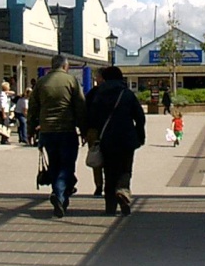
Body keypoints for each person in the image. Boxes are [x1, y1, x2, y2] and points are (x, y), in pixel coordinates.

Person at [29, 54, 87, 218]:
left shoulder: (41, 83)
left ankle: (60, 194)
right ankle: (60, 194)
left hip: (47, 131)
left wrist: (30, 130)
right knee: (67, 165)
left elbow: (33, 108)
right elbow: (80, 106)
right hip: (67, 130)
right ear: (65, 66)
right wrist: (84, 130)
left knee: (54, 164)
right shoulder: (71, 81)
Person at [85, 65, 146, 215]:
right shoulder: (127, 94)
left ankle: (110, 207)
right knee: (125, 169)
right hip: (126, 138)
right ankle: (123, 191)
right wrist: (140, 135)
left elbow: (89, 116)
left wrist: (88, 134)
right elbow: (139, 116)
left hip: (106, 139)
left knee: (109, 172)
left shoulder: (97, 94)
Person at [83, 69, 106, 196]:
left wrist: (84, 131)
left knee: (96, 158)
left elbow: (84, 112)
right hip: (111, 130)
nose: (96, 80)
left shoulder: (92, 93)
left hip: (93, 130)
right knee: (110, 158)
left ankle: (98, 185)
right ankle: (110, 184)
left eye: (97, 77)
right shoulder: (117, 92)